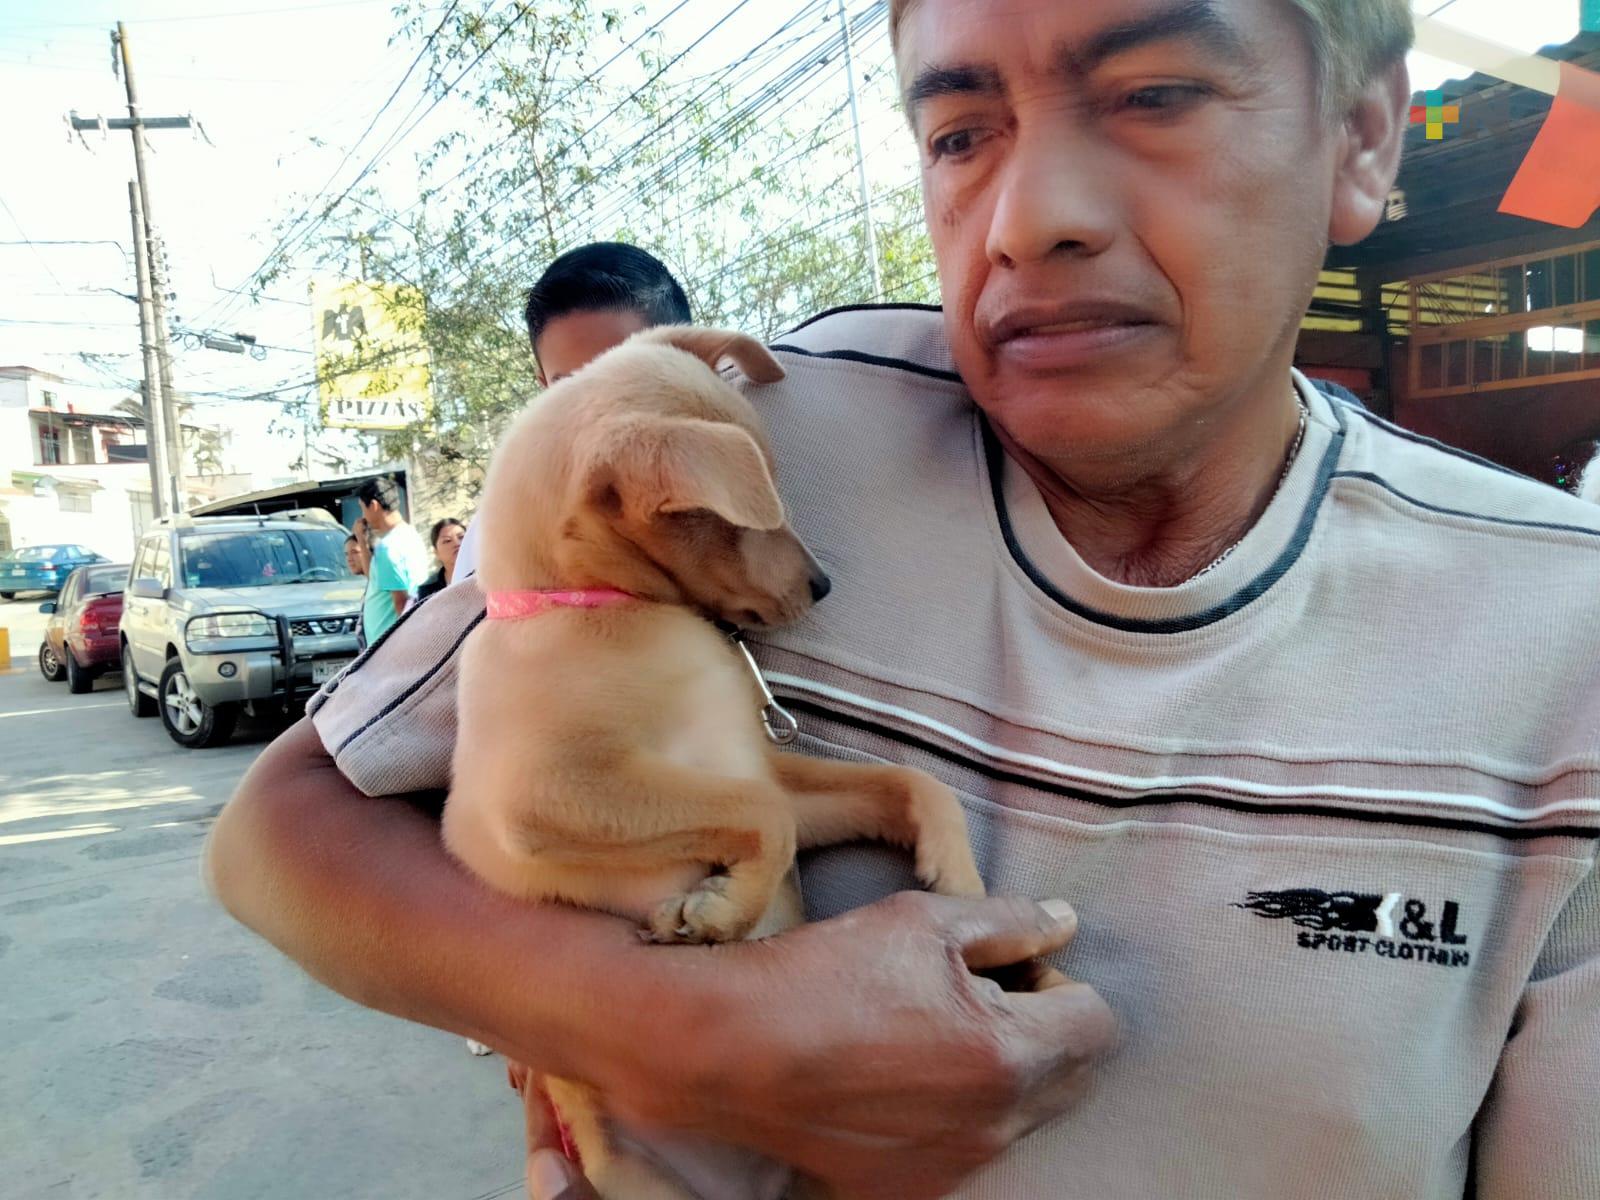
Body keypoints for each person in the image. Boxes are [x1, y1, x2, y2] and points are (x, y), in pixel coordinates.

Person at [206, 5, 1600, 1200]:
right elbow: (280, 836)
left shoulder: (1560, 638)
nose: (1031, 219)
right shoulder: (754, 448)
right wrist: (683, 1036)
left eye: (1156, 95)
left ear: (1361, 138)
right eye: (958, 131)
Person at [449, 240, 695, 583]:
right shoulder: (505, 539)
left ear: (691, 360)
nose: (600, 415)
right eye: (569, 388)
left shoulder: (755, 480)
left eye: (627, 379)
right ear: (545, 387)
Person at [352, 475, 430, 644]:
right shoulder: (410, 535)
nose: (362, 516)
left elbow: (401, 603)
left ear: (373, 506)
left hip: (389, 647)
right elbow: (374, 579)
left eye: (362, 509)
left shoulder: (389, 547)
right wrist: (361, 540)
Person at [416, 517, 466, 602]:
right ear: (436, 552)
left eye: (461, 537)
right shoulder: (428, 589)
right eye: (447, 541)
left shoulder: (486, 577)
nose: (457, 543)